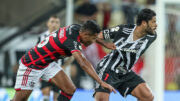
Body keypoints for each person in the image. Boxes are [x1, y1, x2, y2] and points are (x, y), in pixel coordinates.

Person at [12, 20, 116, 101]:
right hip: (32, 64)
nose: (94, 41)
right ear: (85, 35)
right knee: (20, 99)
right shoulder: (71, 40)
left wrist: (105, 44)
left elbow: (93, 35)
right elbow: (83, 63)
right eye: (93, 39)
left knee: (69, 89)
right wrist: (101, 82)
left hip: (48, 63)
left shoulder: (78, 28)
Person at [94, 8, 157, 101]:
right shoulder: (123, 30)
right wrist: (106, 44)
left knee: (147, 96)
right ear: (144, 23)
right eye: (153, 22)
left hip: (124, 72)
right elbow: (95, 36)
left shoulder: (151, 36)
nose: (156, 25)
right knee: (102, 99)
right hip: (108, 68)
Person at [37, 15, 61, 101]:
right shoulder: (41, 37)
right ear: (48, 24)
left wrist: (65, 66)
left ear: (59, 24)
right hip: (45, 71)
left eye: (56, 22)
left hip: (58, 72)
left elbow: (71, 56)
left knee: (56, 97)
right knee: (46, 95)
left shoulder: (62, 38)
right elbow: (37, 54)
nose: (54, 24)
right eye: (52, 22)